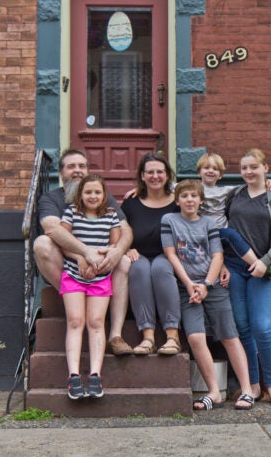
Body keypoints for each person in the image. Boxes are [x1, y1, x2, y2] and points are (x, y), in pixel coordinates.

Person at [160, 179, 256, 411]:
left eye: (194, 196)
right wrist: (190, 284)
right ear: (177, 200)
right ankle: (214, 392)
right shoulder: (169, 220)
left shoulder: (209, 223)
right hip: (186, 288)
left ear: (201, 200)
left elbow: (217, 257)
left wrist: (205, 285)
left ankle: (247, 390)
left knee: (229, 335)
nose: (189, 200)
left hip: (211, 286)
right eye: (184, 196)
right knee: (195, 337)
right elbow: (171, 255)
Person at [34, 149, 134, 356]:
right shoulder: (51, 198)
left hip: (102, 264)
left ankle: (115, 336)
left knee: (123, 261)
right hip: (69, 265)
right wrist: (83, 254)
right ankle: (77, 298)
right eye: (71, 167)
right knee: (42, 244)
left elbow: (126, 230)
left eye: (82, 166)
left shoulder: (102, 197)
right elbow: (53, 229)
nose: (77, 171)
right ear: (61, 173)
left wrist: (117, 251)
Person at [224, 148, 271, 406]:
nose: (248, 172)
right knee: (243, 327)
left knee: (262, 326)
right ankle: (253, 386)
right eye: (244, 168)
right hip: (234, 269)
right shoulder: (234, 195)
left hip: (264, 271)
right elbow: (216, 219)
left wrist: (264, 263)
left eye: (254, 167)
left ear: (265, 167)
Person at [196, 152, 271, 308]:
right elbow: (173, 190)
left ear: (220, 175)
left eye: (215, 169)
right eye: (206, 168)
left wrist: (267, 182)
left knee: (230, 235)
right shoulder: (193, 188)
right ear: (199, 171)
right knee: (230, 234)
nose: (210, 171)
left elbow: (253, 185)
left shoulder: (229, 191)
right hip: (208, 235)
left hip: (224, 239)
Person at [59, 174, 121, 399]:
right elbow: (64, 242)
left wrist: (98, 263)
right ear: (80, 195)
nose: (92, 196)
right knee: (75, 321)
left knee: (96, 322)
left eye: (97, 192)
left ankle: (95, 374)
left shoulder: (111, 216)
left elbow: (114, 244)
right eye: (88, 192)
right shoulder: (72, 213)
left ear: (104, 195)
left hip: (100, 275)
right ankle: (73, 375)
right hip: (74, 274)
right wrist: (80, 257)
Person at [121, 152, 182, 356]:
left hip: (169, 255)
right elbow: (120, 230)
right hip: (138, 255)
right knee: (138, 269)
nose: (155, 176)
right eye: (150, 172)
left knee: (160, 268)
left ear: (167, 175)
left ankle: (172, 336)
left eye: (160, 172)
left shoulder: (178, 202)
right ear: (142, 176)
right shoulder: (131, 202)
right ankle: (148, 337)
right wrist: (126, 247)